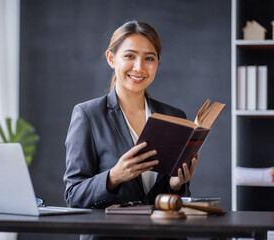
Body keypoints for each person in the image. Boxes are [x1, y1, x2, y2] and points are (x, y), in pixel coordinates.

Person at [63, 20, 199, 239]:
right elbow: (73, 196)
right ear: (111, 58)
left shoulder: (175, 118)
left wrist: (176, 186)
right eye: (129, 56)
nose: (139, 67)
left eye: (149, 58)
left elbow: (172, 200)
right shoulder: (88, 115)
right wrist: (114, 176)